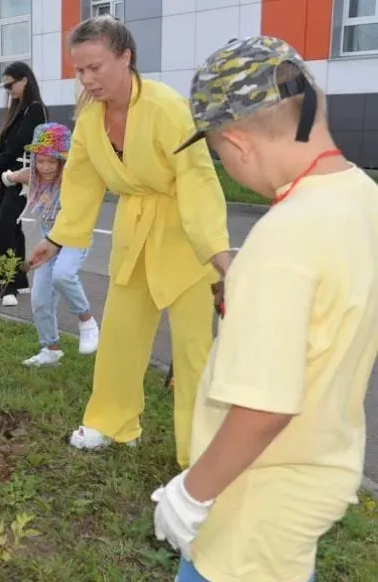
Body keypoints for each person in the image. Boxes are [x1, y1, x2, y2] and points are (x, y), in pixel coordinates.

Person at [152, 37, 378, 582]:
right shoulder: (362, 199)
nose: (226, 166)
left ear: (237, 142)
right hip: (315, 471)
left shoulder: (280, 241)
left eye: (216, 153)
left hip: (254, 496)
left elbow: (264, 408)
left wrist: (190, 494)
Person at [28, 15, 232, 469]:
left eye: (95, 67)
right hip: (133, 231)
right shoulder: (90, 119)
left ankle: (200, 451)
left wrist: (217, 254)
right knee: (120, 333)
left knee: (193, 350)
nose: (87, 79)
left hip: (184, 235)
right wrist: (58, 240)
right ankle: (113, 422)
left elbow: (198, 179)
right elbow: (80, 181)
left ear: (126, 57)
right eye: (79, 70)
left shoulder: (167, 108)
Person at [0, 122, 99, 367]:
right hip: (48, 243)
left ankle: (86, 319)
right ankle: (50, 349)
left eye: (52, 162)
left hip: (74, 238)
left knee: (63, 275)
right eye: (40, 161)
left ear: (64, 162)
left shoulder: (71, 180)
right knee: (40, 298)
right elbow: (10, 176)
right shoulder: (32, 176)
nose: (45, 167)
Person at [0, 61, 47, 307]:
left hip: (23, 178)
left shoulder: (35, 109)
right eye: (5, 86)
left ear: (25, 80)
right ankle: (19, 281)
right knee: (12, 227)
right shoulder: (18, 109)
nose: (8, 90)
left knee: (5, 227)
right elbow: (4, 144)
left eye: (10, 85)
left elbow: (19, 144)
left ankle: (7, 284)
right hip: (6, 179)